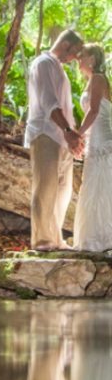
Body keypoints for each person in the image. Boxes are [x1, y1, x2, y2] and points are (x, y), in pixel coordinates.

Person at [24, 29, 84, 251]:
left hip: (62, 137)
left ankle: (55, 238)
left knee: (63, 190)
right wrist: (68, 130)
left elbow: (66, 108)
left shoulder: (60, 69)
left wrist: (73, 137)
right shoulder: (43, 63)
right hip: (45, 133)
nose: (75, 58)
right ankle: (42, 241)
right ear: (66, 44)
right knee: (45, 188)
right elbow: (49, 102)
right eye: (75, 52)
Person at [73, 44, 112, 251]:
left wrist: (77, 134)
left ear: (92, 59)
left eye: (82, 56)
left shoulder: (98, 79)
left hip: (101, 140)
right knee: (93, 187)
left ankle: (104, 239)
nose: (78, 59)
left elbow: (95, 110)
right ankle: (93, 238)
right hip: (93, 138)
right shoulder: (92, 81)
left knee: (102, 186)